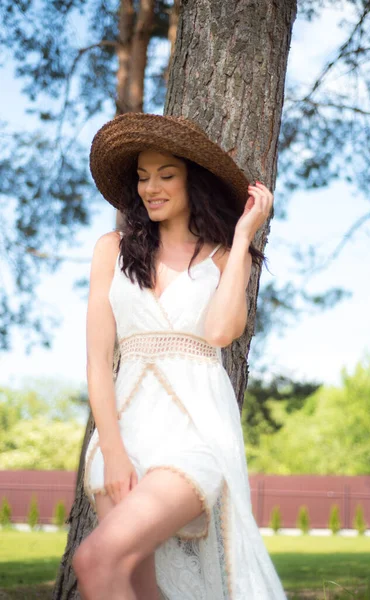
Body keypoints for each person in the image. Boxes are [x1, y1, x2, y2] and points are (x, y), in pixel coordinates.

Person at [72, 113, 286, 600]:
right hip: (122, 432)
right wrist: (114, 450)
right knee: (128, 578)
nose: (151, 187)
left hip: (196, 431)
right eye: (143, 176)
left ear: (194, 180)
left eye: (166, 174)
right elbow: (97, 360)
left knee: (93, 559)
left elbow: (219, 331)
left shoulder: (224, 257)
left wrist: (243, 236)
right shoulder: (112, 249)